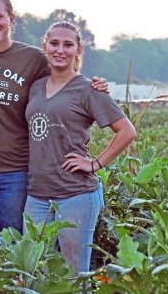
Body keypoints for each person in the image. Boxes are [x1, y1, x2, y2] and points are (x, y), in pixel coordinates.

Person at [0, 0, 107, 235]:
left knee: (14, 248)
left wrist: (94, 86)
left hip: (15, 172)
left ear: (11, 19)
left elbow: (62, 80)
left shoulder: (33, 58)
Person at [24, 21, 136, 274]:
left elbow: (127, 131)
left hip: (75, 193)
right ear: (45, 46)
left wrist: (95, 163)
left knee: (74, 273)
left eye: (67, 44)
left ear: (78, 50)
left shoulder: (88, 89)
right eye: (54, 43)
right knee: (32, 271)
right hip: (37, 194)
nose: (60, 50)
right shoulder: (36, 86)